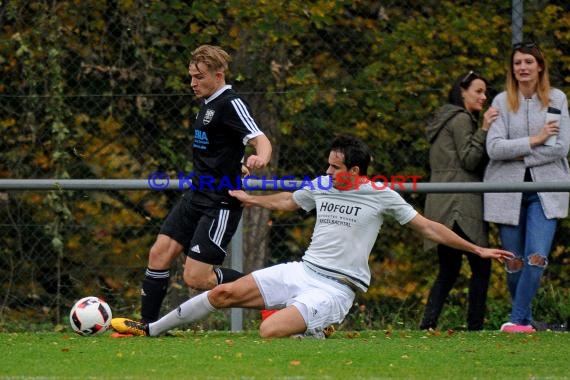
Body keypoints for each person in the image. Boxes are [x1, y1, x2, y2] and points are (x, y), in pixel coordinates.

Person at [111, 135, 513, 338]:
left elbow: (428, 226)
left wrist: (476, 248)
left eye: (335, 165)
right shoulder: (323, 184)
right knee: (220, 295)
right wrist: (252, 200)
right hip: (302, 271)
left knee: (269, 331)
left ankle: (316, 327)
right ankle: (150, 330)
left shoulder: (381, 195)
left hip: (337, 288)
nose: (328, 169)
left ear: (355, 170)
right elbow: (290, 201)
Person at [139, 45, 272, 324]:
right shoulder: (208, 103)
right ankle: (145, 328)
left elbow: (259, 137)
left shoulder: (230, 103)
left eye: (199, 77)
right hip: (196, 194)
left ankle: (275, 293)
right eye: (191, 76)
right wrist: (236, 163)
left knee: (197, 278)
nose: (192, 83)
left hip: (220, 201)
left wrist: (261, 157)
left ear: (218, 75)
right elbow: (222, 147)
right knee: (159, 253)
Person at [484, 41, 570, 333]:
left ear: (540, 66)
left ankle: (517, 319)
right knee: (515, 262)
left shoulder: (556, 99)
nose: (522, 67)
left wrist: (517, 151)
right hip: (507, 192)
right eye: (518, 62)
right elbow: (494, 148)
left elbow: (559, 148)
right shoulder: (501, 102)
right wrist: (535, 140)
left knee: (537, 256)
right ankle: (525, 320)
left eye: (528, 62)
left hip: (545, 192)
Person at [420, 71, 499, 331]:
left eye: (485, 92)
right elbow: (469, 159)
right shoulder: (462, 118)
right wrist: (485, 129)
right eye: (478, 91)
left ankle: (427, 324)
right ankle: (474, 325)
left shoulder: (442, 119)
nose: (483, 97)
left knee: (449, 268)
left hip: (440, 199)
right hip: (460, 202)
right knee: (481, 265)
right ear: (462, 91)